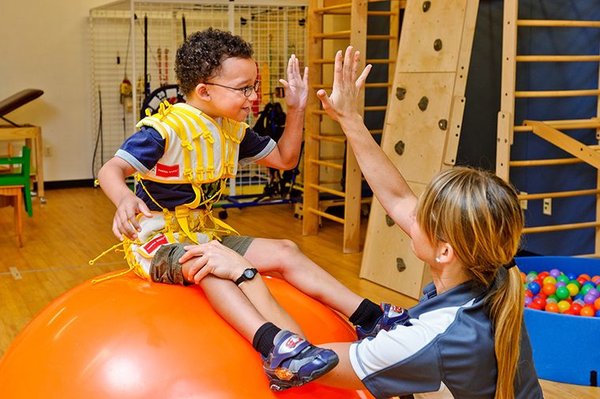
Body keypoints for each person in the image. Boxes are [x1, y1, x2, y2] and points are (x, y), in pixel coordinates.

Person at [181, 47, 544, 398]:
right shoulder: (492, 273)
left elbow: (299, 364)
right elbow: (398, 197)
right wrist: (349, 119)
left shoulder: (434, 337)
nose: (410, 214)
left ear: (446, 250)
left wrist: (246, 274)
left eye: (422, 217)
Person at [97, 28, 341, 391]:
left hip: (202, 235)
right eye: (243, 88)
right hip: (156, 243)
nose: (253, 97)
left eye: (254, 86)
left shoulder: (232, 131)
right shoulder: (164, 131)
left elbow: (286, 160)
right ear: (205, 90)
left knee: (286, 250)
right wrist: (123, 198)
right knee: (209, 265)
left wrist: (296, 109)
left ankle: (368, 315)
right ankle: (274, 348)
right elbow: (110, 169)